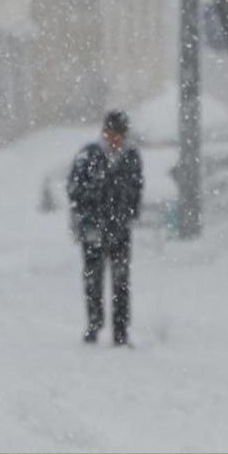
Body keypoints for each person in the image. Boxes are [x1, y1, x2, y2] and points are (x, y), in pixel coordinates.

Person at [67, 111, 143, 347]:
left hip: (120, 229)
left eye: (119, 135)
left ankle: (120, 330)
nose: (115, 140)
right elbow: (75, 190)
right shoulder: (89, 156)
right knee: (93, 278)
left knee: (121, 280)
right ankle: (94, 324)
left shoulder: (130, 157)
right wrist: (88, 215)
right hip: (93, 229)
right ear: (104, 133)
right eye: (111, 134)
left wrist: (127, 214)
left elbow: (136, 189)